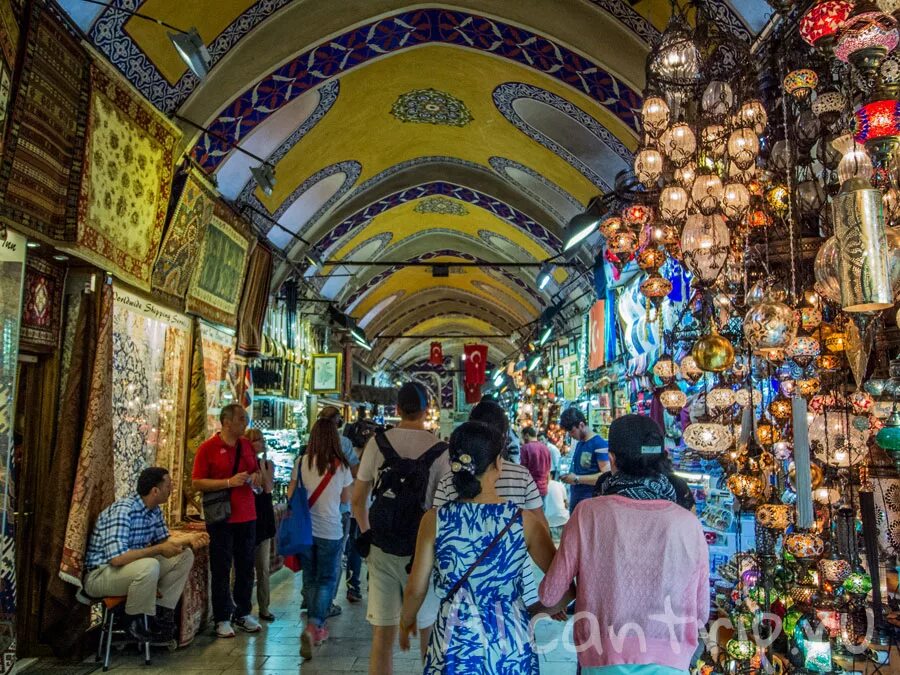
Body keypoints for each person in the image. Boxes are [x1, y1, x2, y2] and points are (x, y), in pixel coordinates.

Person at [539, 414, 709, 675]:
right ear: (661, 455)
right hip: (671, 662)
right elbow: (701, 614)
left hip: (602, 659)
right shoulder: (688, 523)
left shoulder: (587, 514)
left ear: (613, 459)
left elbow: (551, 594)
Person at [399, 421, 564, 674]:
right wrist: (532, 611)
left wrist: (405, 621)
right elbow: (564, 587)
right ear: (499, 463)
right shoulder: (523, 521)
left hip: (454, 640)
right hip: (510, 639)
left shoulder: (434, 520)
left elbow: (415, 589)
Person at [352, 382, 449, 675]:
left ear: (397, 409)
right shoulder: (441, 450)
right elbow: (444, 508)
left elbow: (358, 501)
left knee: (383, 636)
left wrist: (368, 536)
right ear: (426, 410)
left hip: (382, 549)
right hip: (423, 555)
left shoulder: (377, 444)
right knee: (428, 632)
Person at [432, 399, 547, 608]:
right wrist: (551, 601)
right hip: (516, 589)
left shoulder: (449, 480)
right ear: (503, 439)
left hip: (459, 598)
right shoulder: (521, 477)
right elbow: (542, 530)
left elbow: (436, 536)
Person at [84, 467, 208, 642]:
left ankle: (159, 615)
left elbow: (164, 544)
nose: (171, 490)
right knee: (150, 565)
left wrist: (189, 539)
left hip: (128, 570)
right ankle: (134, 622)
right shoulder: (124, 511)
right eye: (168, 486)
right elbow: (117, 558)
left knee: (184, 556)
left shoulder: (154, 510)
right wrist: (157, 550)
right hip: (101, 574)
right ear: (155, 490)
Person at [191, 403, 262, 638]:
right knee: (221, 567)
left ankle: (243, 612)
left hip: (247, 514)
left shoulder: (246, 446)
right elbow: (197, 482)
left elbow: (256, 472)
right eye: (242, 418)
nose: (246, 422)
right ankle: (222, 617)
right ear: (227, 422)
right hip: (221, 517)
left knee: (245, 566)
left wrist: (253, 477)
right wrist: (228, 482)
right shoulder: (208, 449)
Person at [286, 417, 354, 659]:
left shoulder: (302, 461)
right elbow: (346, 499)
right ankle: (316, 624)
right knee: (326, 579)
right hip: (330, 530)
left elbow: (291, 493)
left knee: (311, 577)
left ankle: (314, 623)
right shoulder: (342, 466)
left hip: (305, 530)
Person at [316, 406, 360, 613]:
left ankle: (310, 598)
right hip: (338, 510)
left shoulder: (311, 445)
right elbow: (354, 474)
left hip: (313, 511)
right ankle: (327, 602)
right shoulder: (343, 444)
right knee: (334, 558)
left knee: (313, 559)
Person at [247, 428, 276, 622]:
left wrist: (262, 467)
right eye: (257, 440)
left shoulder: (266, 464)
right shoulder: (241, 466)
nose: (261, 442)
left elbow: (267, 487)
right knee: (244, 567)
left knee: (263, 568)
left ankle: (264, 607)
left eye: (262, 439)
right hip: (247, 519)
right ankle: (243, 607)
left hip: (263, 519)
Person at [559, 407, 609, 510]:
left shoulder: (599, 444)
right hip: (577, 500)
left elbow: (606, 476)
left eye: (572, 431)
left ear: (581, 425)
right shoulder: (580, 443)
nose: (570, 435)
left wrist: (577, 479)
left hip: (590, 503)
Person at [519, 426, 551, 499]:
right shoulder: (546, 448)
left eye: (522, 437)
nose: (522, 439)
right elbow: (548, 471)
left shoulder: (525, 448)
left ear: (527, 435)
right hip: (543, 489)